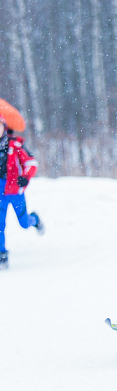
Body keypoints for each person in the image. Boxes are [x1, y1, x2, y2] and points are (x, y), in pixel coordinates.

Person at [0, 104, 44, 269]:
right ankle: (2, 254)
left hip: (14, 191)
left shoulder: (15, 145)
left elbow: (31, 163)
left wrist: (25, 177)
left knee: (24, 223)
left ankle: (35, 220)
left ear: (5, 127)